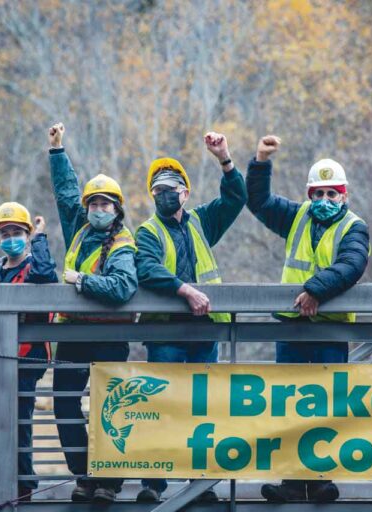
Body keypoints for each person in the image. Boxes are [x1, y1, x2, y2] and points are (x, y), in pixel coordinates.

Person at [245, 136, 370, 503]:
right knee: (290, 404)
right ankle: (289, 480)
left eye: (333, 194)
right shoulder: (298, 215)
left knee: (327, 405)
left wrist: (316, 290)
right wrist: (261, 161)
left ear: (344, 196)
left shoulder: (355, 227)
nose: (325, 201)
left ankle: (320, 480)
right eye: (318, 194)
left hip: (331, 329)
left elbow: (352, 264)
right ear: (309, 195)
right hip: (292, 326)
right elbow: (259, 201)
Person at [134, 131, 247, 503]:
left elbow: (236, 198)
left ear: (185, 192)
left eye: (171, 187)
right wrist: (185, 289)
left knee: (203, 410)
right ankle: (154, 484)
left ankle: (200, 485)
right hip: (166, 335)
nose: (165, 193)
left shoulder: (201, 222)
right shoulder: (147, 232)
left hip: (203, 333)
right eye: (158, 189)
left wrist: (224, 159)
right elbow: (146, 268)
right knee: (162, 408)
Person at [47, 123, 138, 503]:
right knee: (64, 402)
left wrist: (82, 281)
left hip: (110, 337)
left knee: (109, 410)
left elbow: (121, 287)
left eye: (105, 204)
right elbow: (66, 192)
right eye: (94, 204)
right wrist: (57, 151)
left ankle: (109, 481)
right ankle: (84, 472)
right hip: (73, 335)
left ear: (116, 209)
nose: (98, 209)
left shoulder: (123, 241)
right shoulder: (80, 231)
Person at [0, 202, 58, 503]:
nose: (10, 237)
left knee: (19, 421)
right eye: (5, 233)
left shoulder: (35, 267)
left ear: (27, 235)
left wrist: (41, 237)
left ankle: (22, 485)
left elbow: (48, 276)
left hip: (24, 358)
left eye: (17, 232)